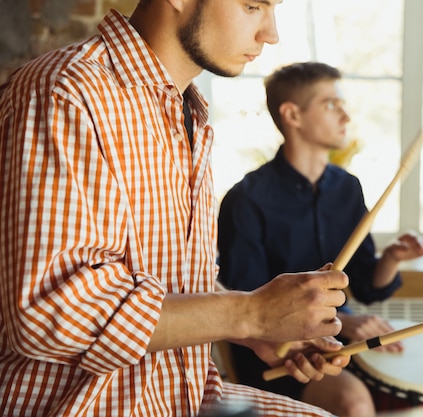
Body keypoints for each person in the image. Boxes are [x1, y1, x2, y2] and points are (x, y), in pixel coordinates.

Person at [0, 2, 354, 416]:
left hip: (182, 397)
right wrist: (249, 314)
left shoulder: (188, 110)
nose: (270, 34)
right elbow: (49, 311)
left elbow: (170, 282)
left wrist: (261, 328)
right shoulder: (64, 92)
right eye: (253, 5)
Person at [217, 62, 423, 417]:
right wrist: (345, 322)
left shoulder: (347, 188)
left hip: (339, 338)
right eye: (331, 104)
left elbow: (367, 286)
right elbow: (251, 305)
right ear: (293, 115)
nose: (346, 115)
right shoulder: (246, 199)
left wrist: (393, 257)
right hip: (280, 351)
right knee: (353, 403)